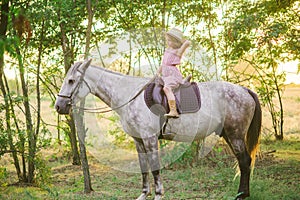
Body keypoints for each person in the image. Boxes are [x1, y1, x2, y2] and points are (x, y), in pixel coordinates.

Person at [156, 28, 191, 118]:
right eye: (167, 40)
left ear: (176, 42)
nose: (168, 42)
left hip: (172, 75)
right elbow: (163, 64)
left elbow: (186, 45)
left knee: (167, 88)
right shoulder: (167, 51)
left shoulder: (177, 52)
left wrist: (185, 44)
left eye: (170, 41)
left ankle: (173, 110)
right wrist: (157, 73)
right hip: (165, 75)